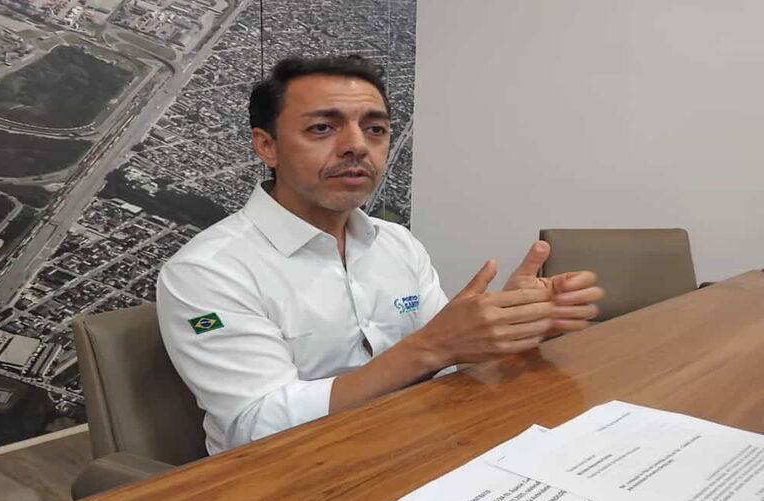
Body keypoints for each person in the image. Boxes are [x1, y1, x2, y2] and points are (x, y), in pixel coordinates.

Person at [156, 55, 604, 455]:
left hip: (412, 443)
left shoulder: (396, 243)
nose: (356, 146)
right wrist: (431, 347)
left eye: (375, 129)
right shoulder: (209, 270)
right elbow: (254, 426)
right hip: (287, 473)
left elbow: (447, 361)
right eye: (322, 128)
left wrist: (509, 326)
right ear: (266, 146)